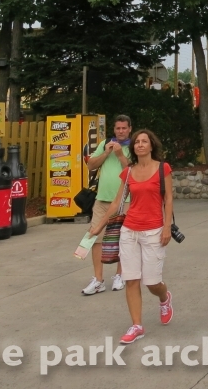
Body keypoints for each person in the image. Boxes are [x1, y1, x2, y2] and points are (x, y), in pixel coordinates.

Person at [89, 129, 175, 344]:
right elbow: (117, 203)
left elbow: (169, 200)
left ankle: (164, 298)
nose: (140, 145)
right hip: (129, 231)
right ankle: (137, 325)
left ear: (151, 145)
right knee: (131, 280)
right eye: (137, 142)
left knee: (152, 282)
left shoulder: (162, 169)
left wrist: (167, 227)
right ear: (133, 147)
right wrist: (99, 226)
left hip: (154, 230)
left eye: (144, 141)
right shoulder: (128, 172)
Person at [82, 114, 132, 295]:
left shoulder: (134, 147)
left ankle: (120, 275)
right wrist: (107, 152)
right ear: (114, 129)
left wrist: (120, 155)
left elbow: (133, 172)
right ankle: (98, 280)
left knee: (123, 239)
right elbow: (91, 166)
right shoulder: (105, 144)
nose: (120, 131)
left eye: (124, 128)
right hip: (102, 199)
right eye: (118, 128)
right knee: (96, 237)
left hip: (125, 201)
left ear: (129, 129)